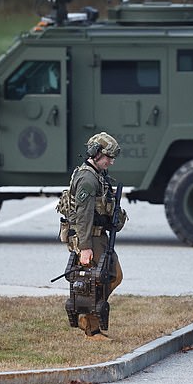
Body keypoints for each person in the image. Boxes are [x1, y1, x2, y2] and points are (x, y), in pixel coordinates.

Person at [65, 132, 125, 341]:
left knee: (107, 277)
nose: (111, 161)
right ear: (95, 153)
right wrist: (85, 247)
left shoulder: (97, 174)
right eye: (107, 156)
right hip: (90, 237)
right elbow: (83, 215)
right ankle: (90, 328)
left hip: (98, 235)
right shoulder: (88, 179)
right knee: (99, 281)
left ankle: (89, 320)